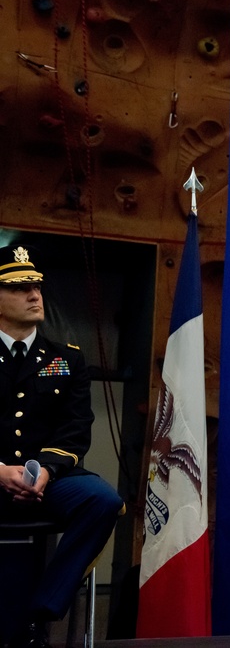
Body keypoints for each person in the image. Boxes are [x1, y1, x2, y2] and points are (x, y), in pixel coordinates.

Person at [0, 245, 123, 648]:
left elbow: (74, 430)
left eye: (36, 285)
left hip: (47, 479)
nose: (34, 294)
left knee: (102, 500)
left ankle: (41, 611)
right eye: (19, 288)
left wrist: (46, 471)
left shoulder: (64, 359)